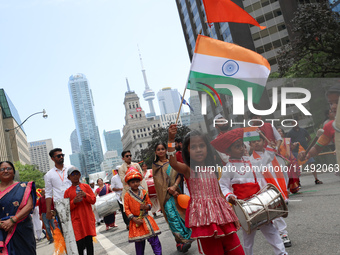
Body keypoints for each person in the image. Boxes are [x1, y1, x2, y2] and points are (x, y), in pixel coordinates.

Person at [168, 125, 245, 255]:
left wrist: (231, 212)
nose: (198, 150)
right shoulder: (188, 170)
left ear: (207, 149)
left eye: (201, 146)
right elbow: (173, 163)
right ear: (186, 151)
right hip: (204, 220)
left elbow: (219, 192)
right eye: (193, 147)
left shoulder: (213, 168)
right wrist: (171, 138)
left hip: (222, 216)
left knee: (237, 250)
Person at [212, 128, 287, 255]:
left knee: (271, 230)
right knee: (248, 237)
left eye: (242, 145)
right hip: (244, 206)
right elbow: (223, 186)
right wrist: (229, 195)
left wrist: (270, 147)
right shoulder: (228, 168)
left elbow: (265, 160)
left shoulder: (250, 161)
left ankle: (282, 253)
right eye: (237, 146)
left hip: (260, 202)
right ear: (228, 151)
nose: (241, 148)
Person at [249, 136, 292, 248]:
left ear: (263, 141)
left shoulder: (274, 156)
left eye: (258, 140)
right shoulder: (251, 159)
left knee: (277, 212)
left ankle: (283, 233)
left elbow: (283, 172)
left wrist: (285, 186)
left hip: (278, 186)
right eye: (253, 142)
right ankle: (280, 236)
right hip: (265, 189)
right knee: (272, 213)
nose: (256, 143)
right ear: (250, 145)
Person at [152, 142, 193, 253]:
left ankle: (183, 240)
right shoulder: (155, 167)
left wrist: (174, 187)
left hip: (176, 192)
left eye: (162, 149)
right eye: (158, 149)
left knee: (181, 215)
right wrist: (168, 191)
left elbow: (180, 174)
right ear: (155, 152)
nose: (160, 151)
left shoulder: (173, 162)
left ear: (166, 150)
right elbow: (159, 183)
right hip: (165, 197)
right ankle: (181, 240)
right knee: (172, 217)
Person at [0, 161, 36, 255]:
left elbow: (29, 206)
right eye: (2, 169)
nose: (5, 171)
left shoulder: (23, 187)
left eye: (9, 168)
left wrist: (12, 221)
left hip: (22, 229)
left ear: (14, 172)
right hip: (2, 230)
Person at [124, 167, 162, 255]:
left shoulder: (144, 192)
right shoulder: (127, 195)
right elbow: (126, 209)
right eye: (132, 182)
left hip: (146, 219)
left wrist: (146, 207)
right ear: (129, 184)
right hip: (136, 221)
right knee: (139, 244)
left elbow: (149, 204)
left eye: (137, 181)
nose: (135, 184)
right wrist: (134, 219)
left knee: (154, 240)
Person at [299, 85, 340, 166]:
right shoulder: (329, 126)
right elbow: (317, 148)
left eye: (337, 102)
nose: (333, 106)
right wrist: (307, 154)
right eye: (331, 103)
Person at [64, 166, 96, 255]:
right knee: (79, 244)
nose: (75, 176)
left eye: (77, 173)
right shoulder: (67, 192)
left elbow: (93, 200)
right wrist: (73, 201)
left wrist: (85, 195)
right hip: (76, 221)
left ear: (80, 175)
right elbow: (66, 208)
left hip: (87, 219)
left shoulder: (86, 187)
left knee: (89, 243)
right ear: (68, 177)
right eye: (72, 174)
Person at [44, 148, 72, 220]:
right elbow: (48, 194)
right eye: (58, 156)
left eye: (62, 155)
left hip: (74, 200)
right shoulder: (49, 175)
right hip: (60, 204)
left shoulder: (70, 168)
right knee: (66, 229)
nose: (61, 157)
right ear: (52, 158)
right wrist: (48, 211)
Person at [277, 128, 302, 193]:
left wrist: (294, 145)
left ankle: (295, 188)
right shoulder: (276, 142)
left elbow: (291, 148)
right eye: (278, 132)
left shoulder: (287, 140)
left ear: (283, 133)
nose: (279, 132)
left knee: (293, 174)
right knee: (286, 174)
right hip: (282, 160)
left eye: (280, 131)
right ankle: (286, 188)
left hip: (290, 159)